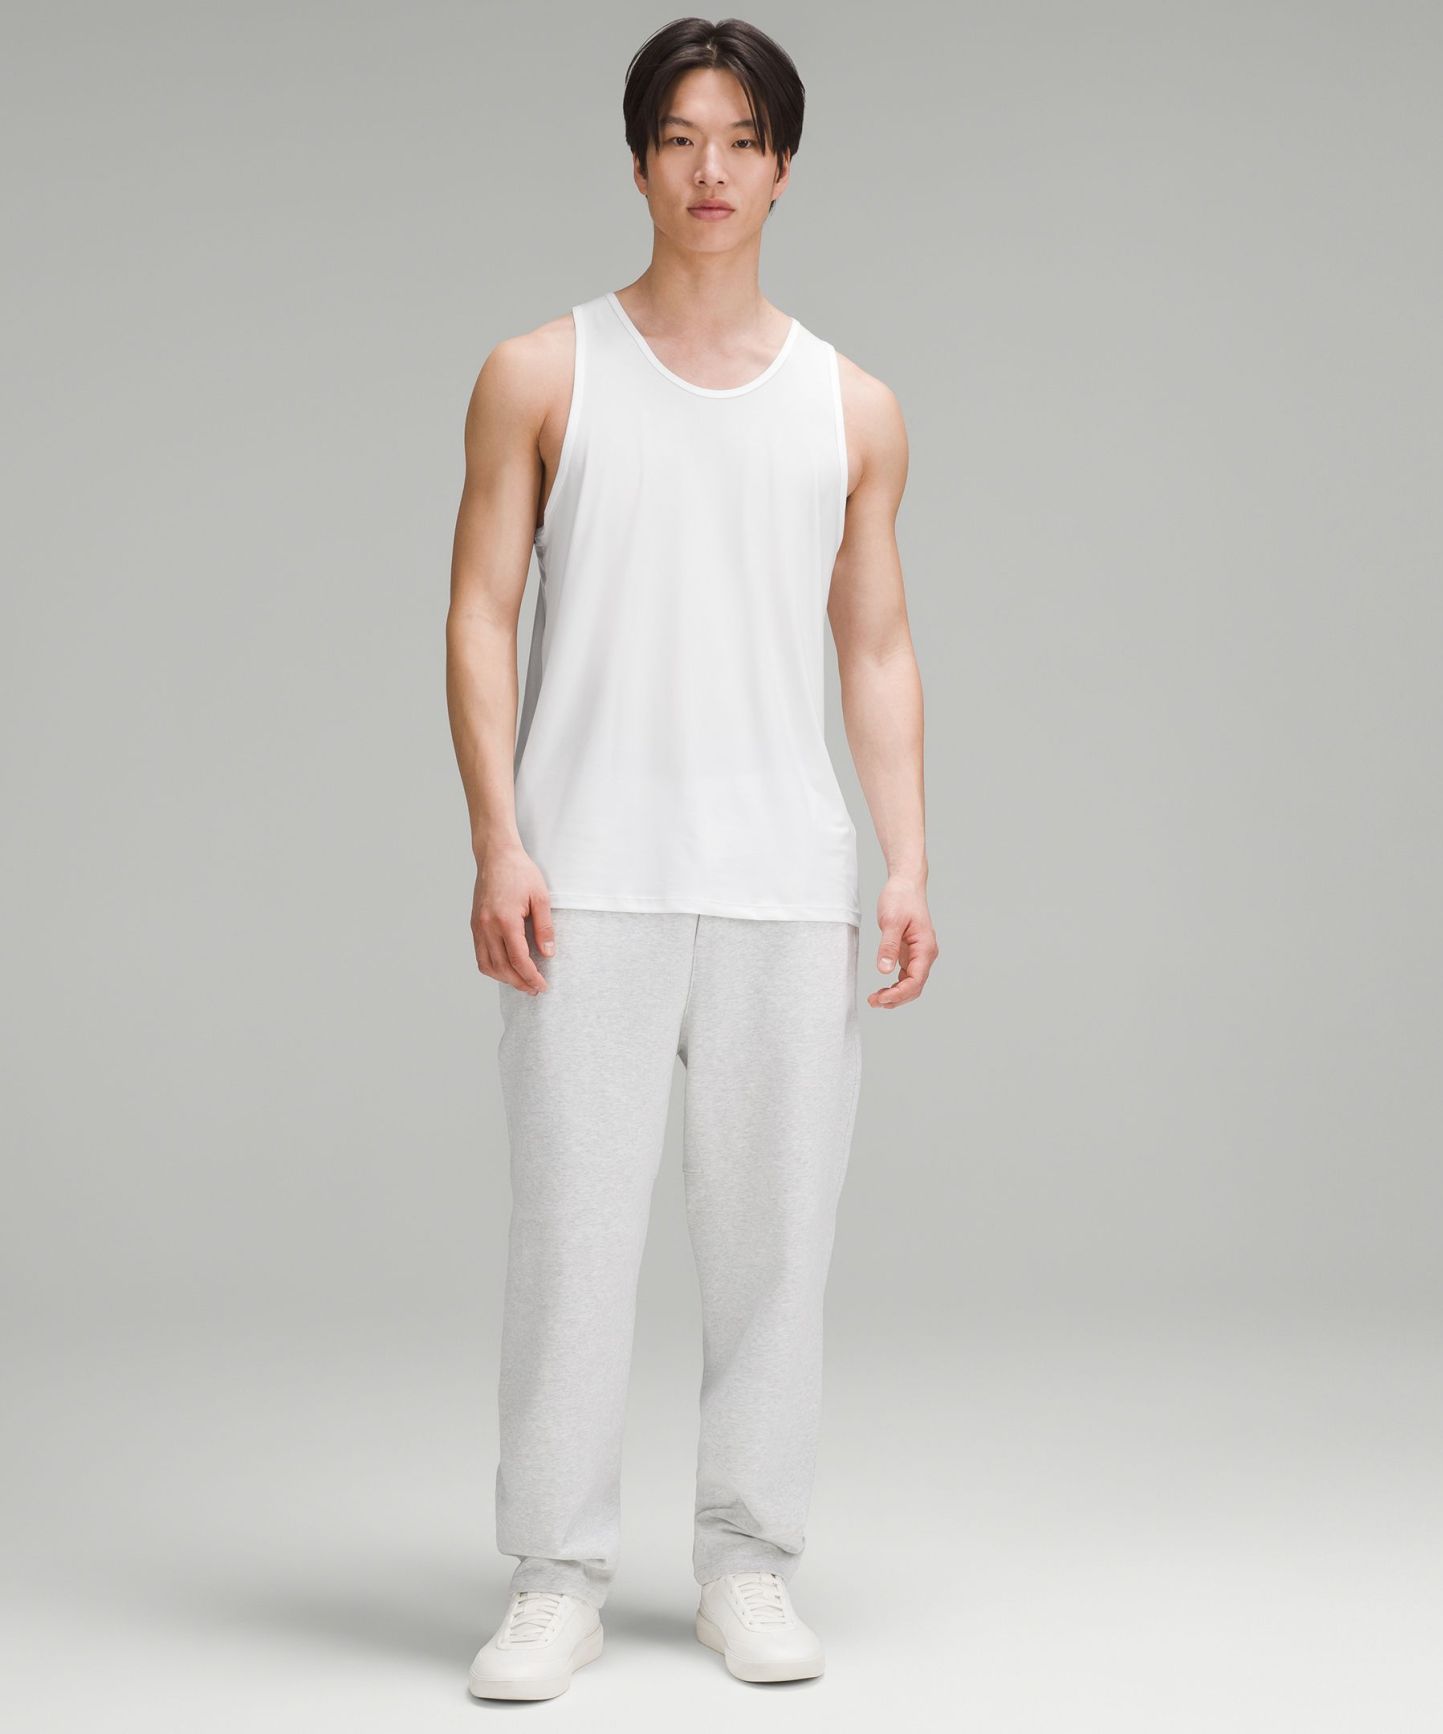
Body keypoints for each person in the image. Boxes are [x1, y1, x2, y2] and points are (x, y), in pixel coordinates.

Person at [445, 15, 937, 1701]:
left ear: (783, 167)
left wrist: (904, 860)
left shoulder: (850, 406)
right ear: (639, 159)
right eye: (678, 137)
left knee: (774, 1249)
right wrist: (499, 836)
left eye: (739, 139)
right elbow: (479, 612)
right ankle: (552, 1576)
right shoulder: (541, 372)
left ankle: (747, 1561)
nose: (708, 170)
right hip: (583, 873)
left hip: (784, 880)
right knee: (568, 1243)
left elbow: (875, 644)